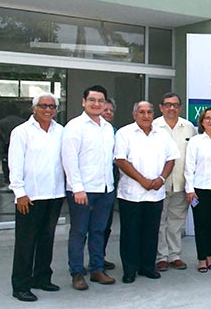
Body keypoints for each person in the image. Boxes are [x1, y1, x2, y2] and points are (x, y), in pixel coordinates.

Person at [9, 92, 65, 302]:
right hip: (30, 196)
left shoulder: (60, 131)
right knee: (26, 242)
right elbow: (14, 164)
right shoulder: (22, 132)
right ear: (34, 108)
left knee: (46, 239)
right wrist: (19, 193)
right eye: (43, 106)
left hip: (54, 194)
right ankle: (21, 285)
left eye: (52, 107)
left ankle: (42, 277)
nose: (48, 110)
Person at [115, 101, 179, 284]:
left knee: (151, 232)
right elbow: (121, 160)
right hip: (131, 193)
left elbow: (171, 158)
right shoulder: (124, 133)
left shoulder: (162, 134)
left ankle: (148, 266)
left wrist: (162, 179)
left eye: (149, 112)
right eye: (141, 112)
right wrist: (142, 180)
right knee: (130, 233)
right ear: (134, 114)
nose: (146, 115)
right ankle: (130, 269)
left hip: (155, 192)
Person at [62, 85, 117, 290]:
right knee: (79, 232)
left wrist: (110, 187)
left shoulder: (107, 128)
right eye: (92, 100)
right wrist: (77, 188)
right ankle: (77, 273)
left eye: (100, 101)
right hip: (82, 190)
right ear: (84, 102)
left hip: (105, 189)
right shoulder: (75, 126)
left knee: (98, 231)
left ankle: (97, 269)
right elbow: (69, 160)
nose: (96, 104)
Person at [153, 92, 196, 272]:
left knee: (176, 222)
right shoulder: (154, 126)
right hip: (158, 184)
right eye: (168, 104)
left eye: (175, 105)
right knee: (159, 222)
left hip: (181, 182)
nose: (172, 108)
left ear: (180, 107)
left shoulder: (188, 127)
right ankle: (161, 257)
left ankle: (174, 255)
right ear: (161, 107)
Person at [185, 108, 211, 273]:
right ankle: (201, 258)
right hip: (199, 190)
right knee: (200, 225)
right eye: (207, 118)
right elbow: (189, 166)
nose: (210, 121)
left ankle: (209, 255)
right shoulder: (195, 141)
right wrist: (189, 189)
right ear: (202, 122)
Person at [101, 98, 117, 270]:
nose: (108, 113)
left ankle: (99, 258)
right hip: (86, 186)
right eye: (105, 110)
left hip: (109, 183)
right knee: (81, 230)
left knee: (105, 225)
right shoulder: (79, 128)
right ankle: (76, 267)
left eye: (111, 110)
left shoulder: (114, 132)